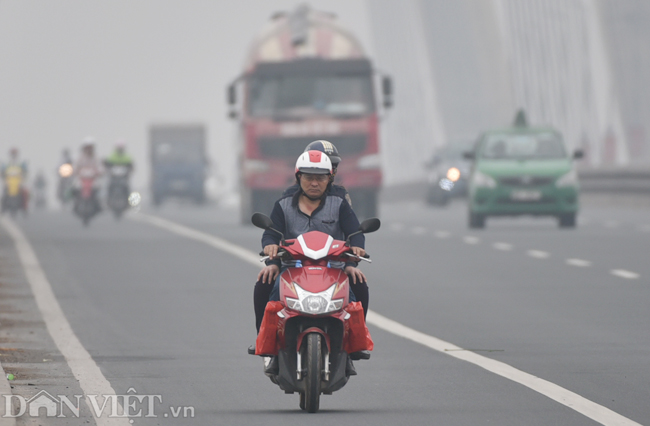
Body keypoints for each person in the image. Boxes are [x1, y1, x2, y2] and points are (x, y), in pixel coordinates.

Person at [281, 140, 352, 207]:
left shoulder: (340, 195)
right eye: (326, 165)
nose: (330, 169)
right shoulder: (289, 195)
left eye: (333, 165)